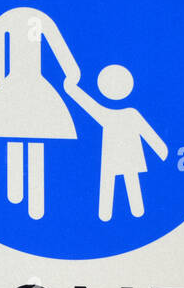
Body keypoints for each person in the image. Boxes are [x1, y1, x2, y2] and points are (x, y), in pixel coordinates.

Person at [0, 0, 80, 220]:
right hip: (30, 84)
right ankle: (26, 202)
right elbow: (59, 49)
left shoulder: (8, 19)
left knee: (18, 134)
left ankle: (20, 197)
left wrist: (4, 83)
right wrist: (72, 73)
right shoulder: (36, 18)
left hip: (16, 84)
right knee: (33, 137)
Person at [64, 65, 167, 221]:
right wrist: (71, 89)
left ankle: (116, 215)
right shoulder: (123, 114)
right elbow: (149, 134)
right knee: (118, 182)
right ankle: (112, 215)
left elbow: (147, 132)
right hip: (117, 156)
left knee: (122, 182)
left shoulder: (115, 115)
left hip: (122, 156)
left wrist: (161, 149)